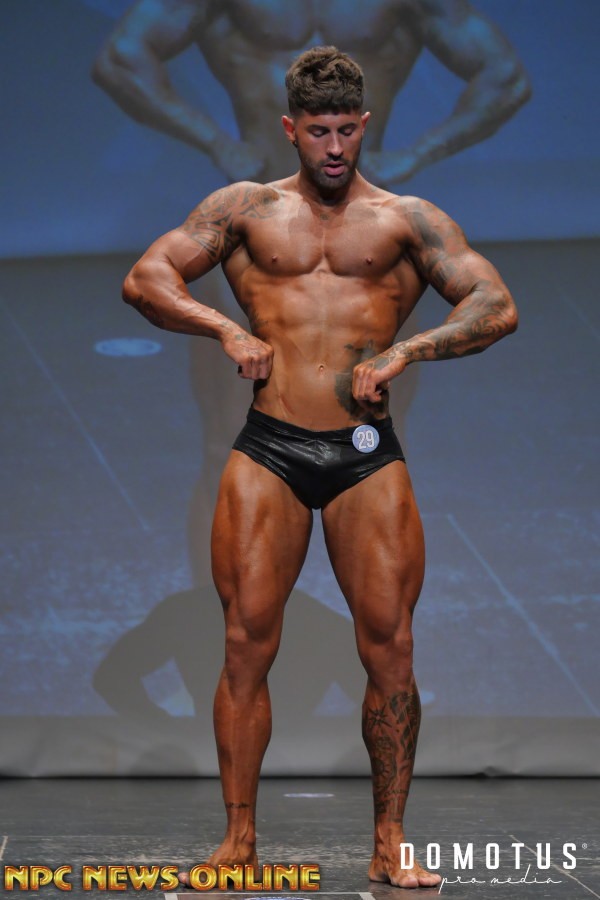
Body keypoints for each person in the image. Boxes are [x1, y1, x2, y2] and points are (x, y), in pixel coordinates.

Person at [122, 47, 518, 889]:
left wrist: (408, 349)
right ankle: (238, 842)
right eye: (318, 132)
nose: (334, 148)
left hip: (365, 456)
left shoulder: (408, 220)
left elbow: (495, 304)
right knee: (243, 645)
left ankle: (389, 842)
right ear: (290, 129)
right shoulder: (245, 209)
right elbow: (146, 278)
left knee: (393, 650)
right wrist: (225, 328)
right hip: (269, 447)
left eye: (346, 131)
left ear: (364, 126)